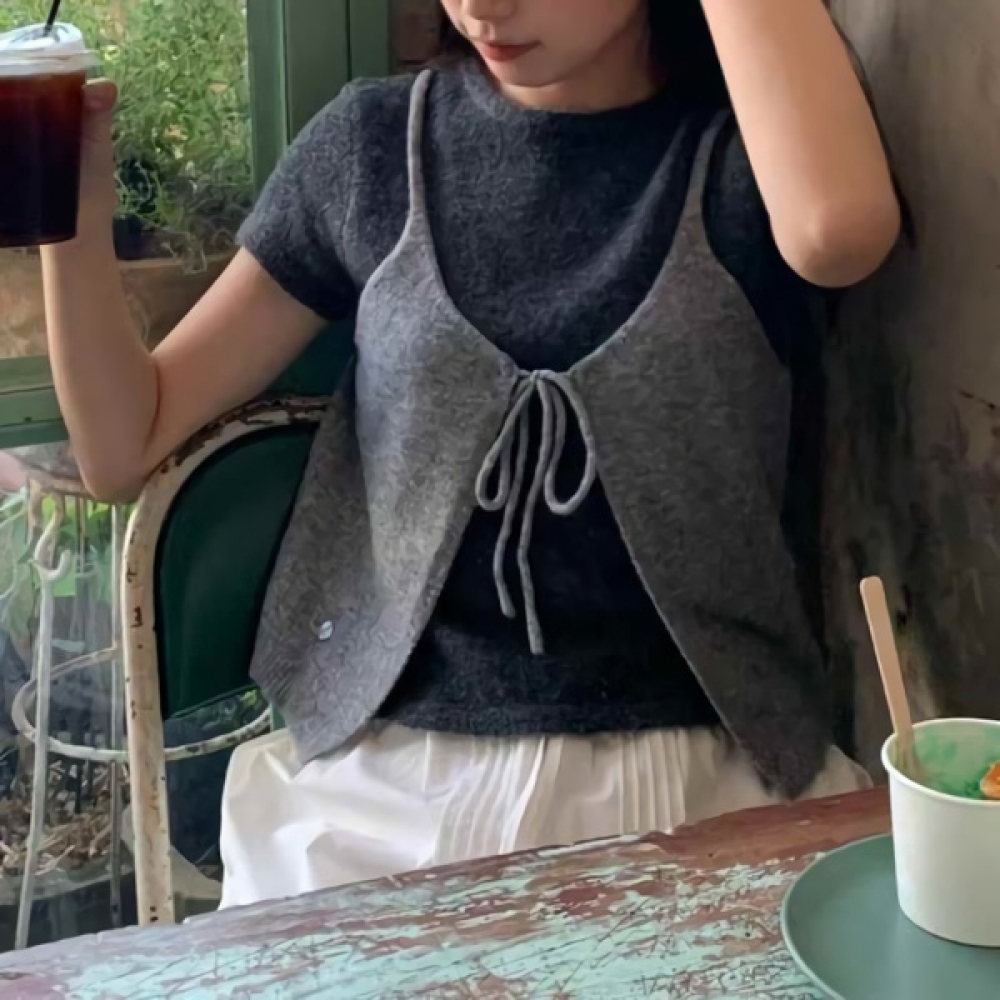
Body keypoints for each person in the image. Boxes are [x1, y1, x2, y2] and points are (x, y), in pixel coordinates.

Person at [44, 0, 900, 908]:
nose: (483, 7)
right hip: (383, 784)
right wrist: (70, 205)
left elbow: (839, 235)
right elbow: (124, 443)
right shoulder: (375, 148)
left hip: (703, 772)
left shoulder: (743, 163)